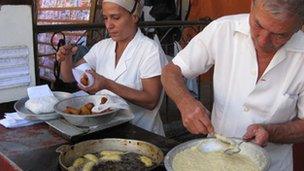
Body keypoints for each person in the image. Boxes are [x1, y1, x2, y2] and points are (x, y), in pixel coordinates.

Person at [161, 0, 304, 170]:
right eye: (258, 24)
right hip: (211, 159)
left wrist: (270, 132)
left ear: (298, 27)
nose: (263, 40)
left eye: (279, 35)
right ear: (252, 6)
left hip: (274, 165)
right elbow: (172, 71)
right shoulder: (223, 29)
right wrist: (185, 102)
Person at [56, 0, 167, 136]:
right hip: (105, 131)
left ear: (134, 17)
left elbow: (151, 101)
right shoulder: (102, 47)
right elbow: (69, 77)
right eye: (105, 18)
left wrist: (107, 84)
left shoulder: (150, 50)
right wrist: (66, 58)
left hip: (142, 133)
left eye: (115, 17)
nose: (109, 25)